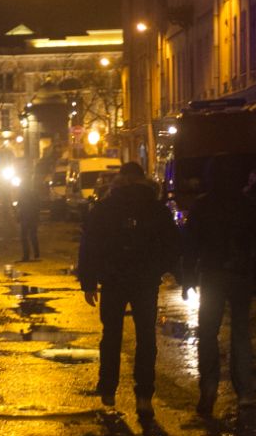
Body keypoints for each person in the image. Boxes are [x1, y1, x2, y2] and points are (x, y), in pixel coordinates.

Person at [76, 161, 180, 417]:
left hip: (114, 279)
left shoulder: (105, 208)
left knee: (111, 334)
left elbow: (89, 245)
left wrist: (89, 281)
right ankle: (144, 395)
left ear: (119, 180)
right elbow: (172, 243)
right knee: (146, 337)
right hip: (145, 280)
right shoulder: (156, 208)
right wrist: (161, 268)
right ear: (143, 180)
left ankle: (108, 387)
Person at [184, 160, 256, 421]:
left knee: (208, 332)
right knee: (240, 333)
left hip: (212, 274)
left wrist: (187, 277)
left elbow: (190, 245)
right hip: (240, 274)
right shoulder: (248, 206)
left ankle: (209, 388)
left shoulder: (202, 206)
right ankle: (246, 393)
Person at [16, 177, 41, 262]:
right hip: (32, 217)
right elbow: (38, 205)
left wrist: (18, 216)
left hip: (25, 217)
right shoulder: (34, 193)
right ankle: (36, 254)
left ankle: (26, 255)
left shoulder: (22, 194)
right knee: (33, 235)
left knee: (24, 237)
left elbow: (20, 206)